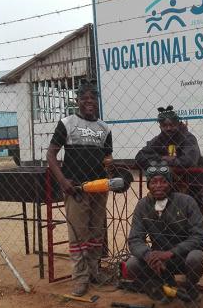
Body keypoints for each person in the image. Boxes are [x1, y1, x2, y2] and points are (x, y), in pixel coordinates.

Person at [46, 81, 114, 297]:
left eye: (93, 98)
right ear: (77, 101)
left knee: (96, 233)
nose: (89, 102)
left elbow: (107, 157)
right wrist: (63, 181)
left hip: (99, 187)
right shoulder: (67, 123)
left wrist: (110, 167)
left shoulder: (105, 128)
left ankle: (94, 272)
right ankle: (80, 278)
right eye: (84, 98)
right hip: (75, 188)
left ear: (97, 101)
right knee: (78, 235)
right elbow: (51, 155)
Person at [126, 162, 203, 303]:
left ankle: (190, 288)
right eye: (153, 182)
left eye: (163, 182)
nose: (158, 186)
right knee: (132, 264)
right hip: (157, 260)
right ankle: (157, 287)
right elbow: (134, 239)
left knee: (196, 257)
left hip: (181, 256)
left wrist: (171, 253)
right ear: (148, 185)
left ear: (170, 184)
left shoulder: (187, 201)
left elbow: (199, 236)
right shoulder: (143, 205)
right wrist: (148, 255)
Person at [135, 106, 203, 215]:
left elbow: (189, 161)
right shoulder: (159, 139)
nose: (168, 128)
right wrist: (162, 159)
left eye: (172, 125)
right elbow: (140, 157)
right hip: (172, 188)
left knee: (194, 220)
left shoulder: (188, 138)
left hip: (197, 186)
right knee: (170, 220)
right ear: (160, 126)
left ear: (178, 124)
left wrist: (169, 161)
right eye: (164, 125)